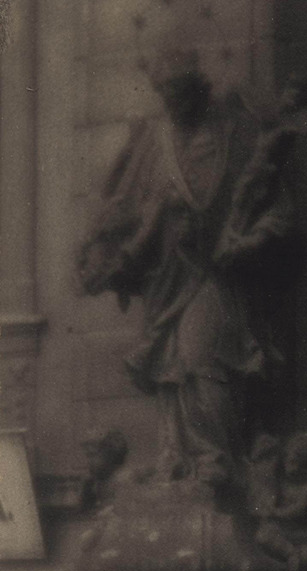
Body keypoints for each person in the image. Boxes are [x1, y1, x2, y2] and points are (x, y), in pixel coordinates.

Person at [77, 48, 295, 489]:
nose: (172, 103)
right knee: (172, 369)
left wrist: (250, 243)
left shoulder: (236, 136)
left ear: (199, 88)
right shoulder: (154, 142)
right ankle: (178, 458)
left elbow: (277, 209)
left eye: (179, 92)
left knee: (202, 356)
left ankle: (215, 457)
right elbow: (124, 206)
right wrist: (107, 253)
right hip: (166, 277)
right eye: (164, 94)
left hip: (214, 275)